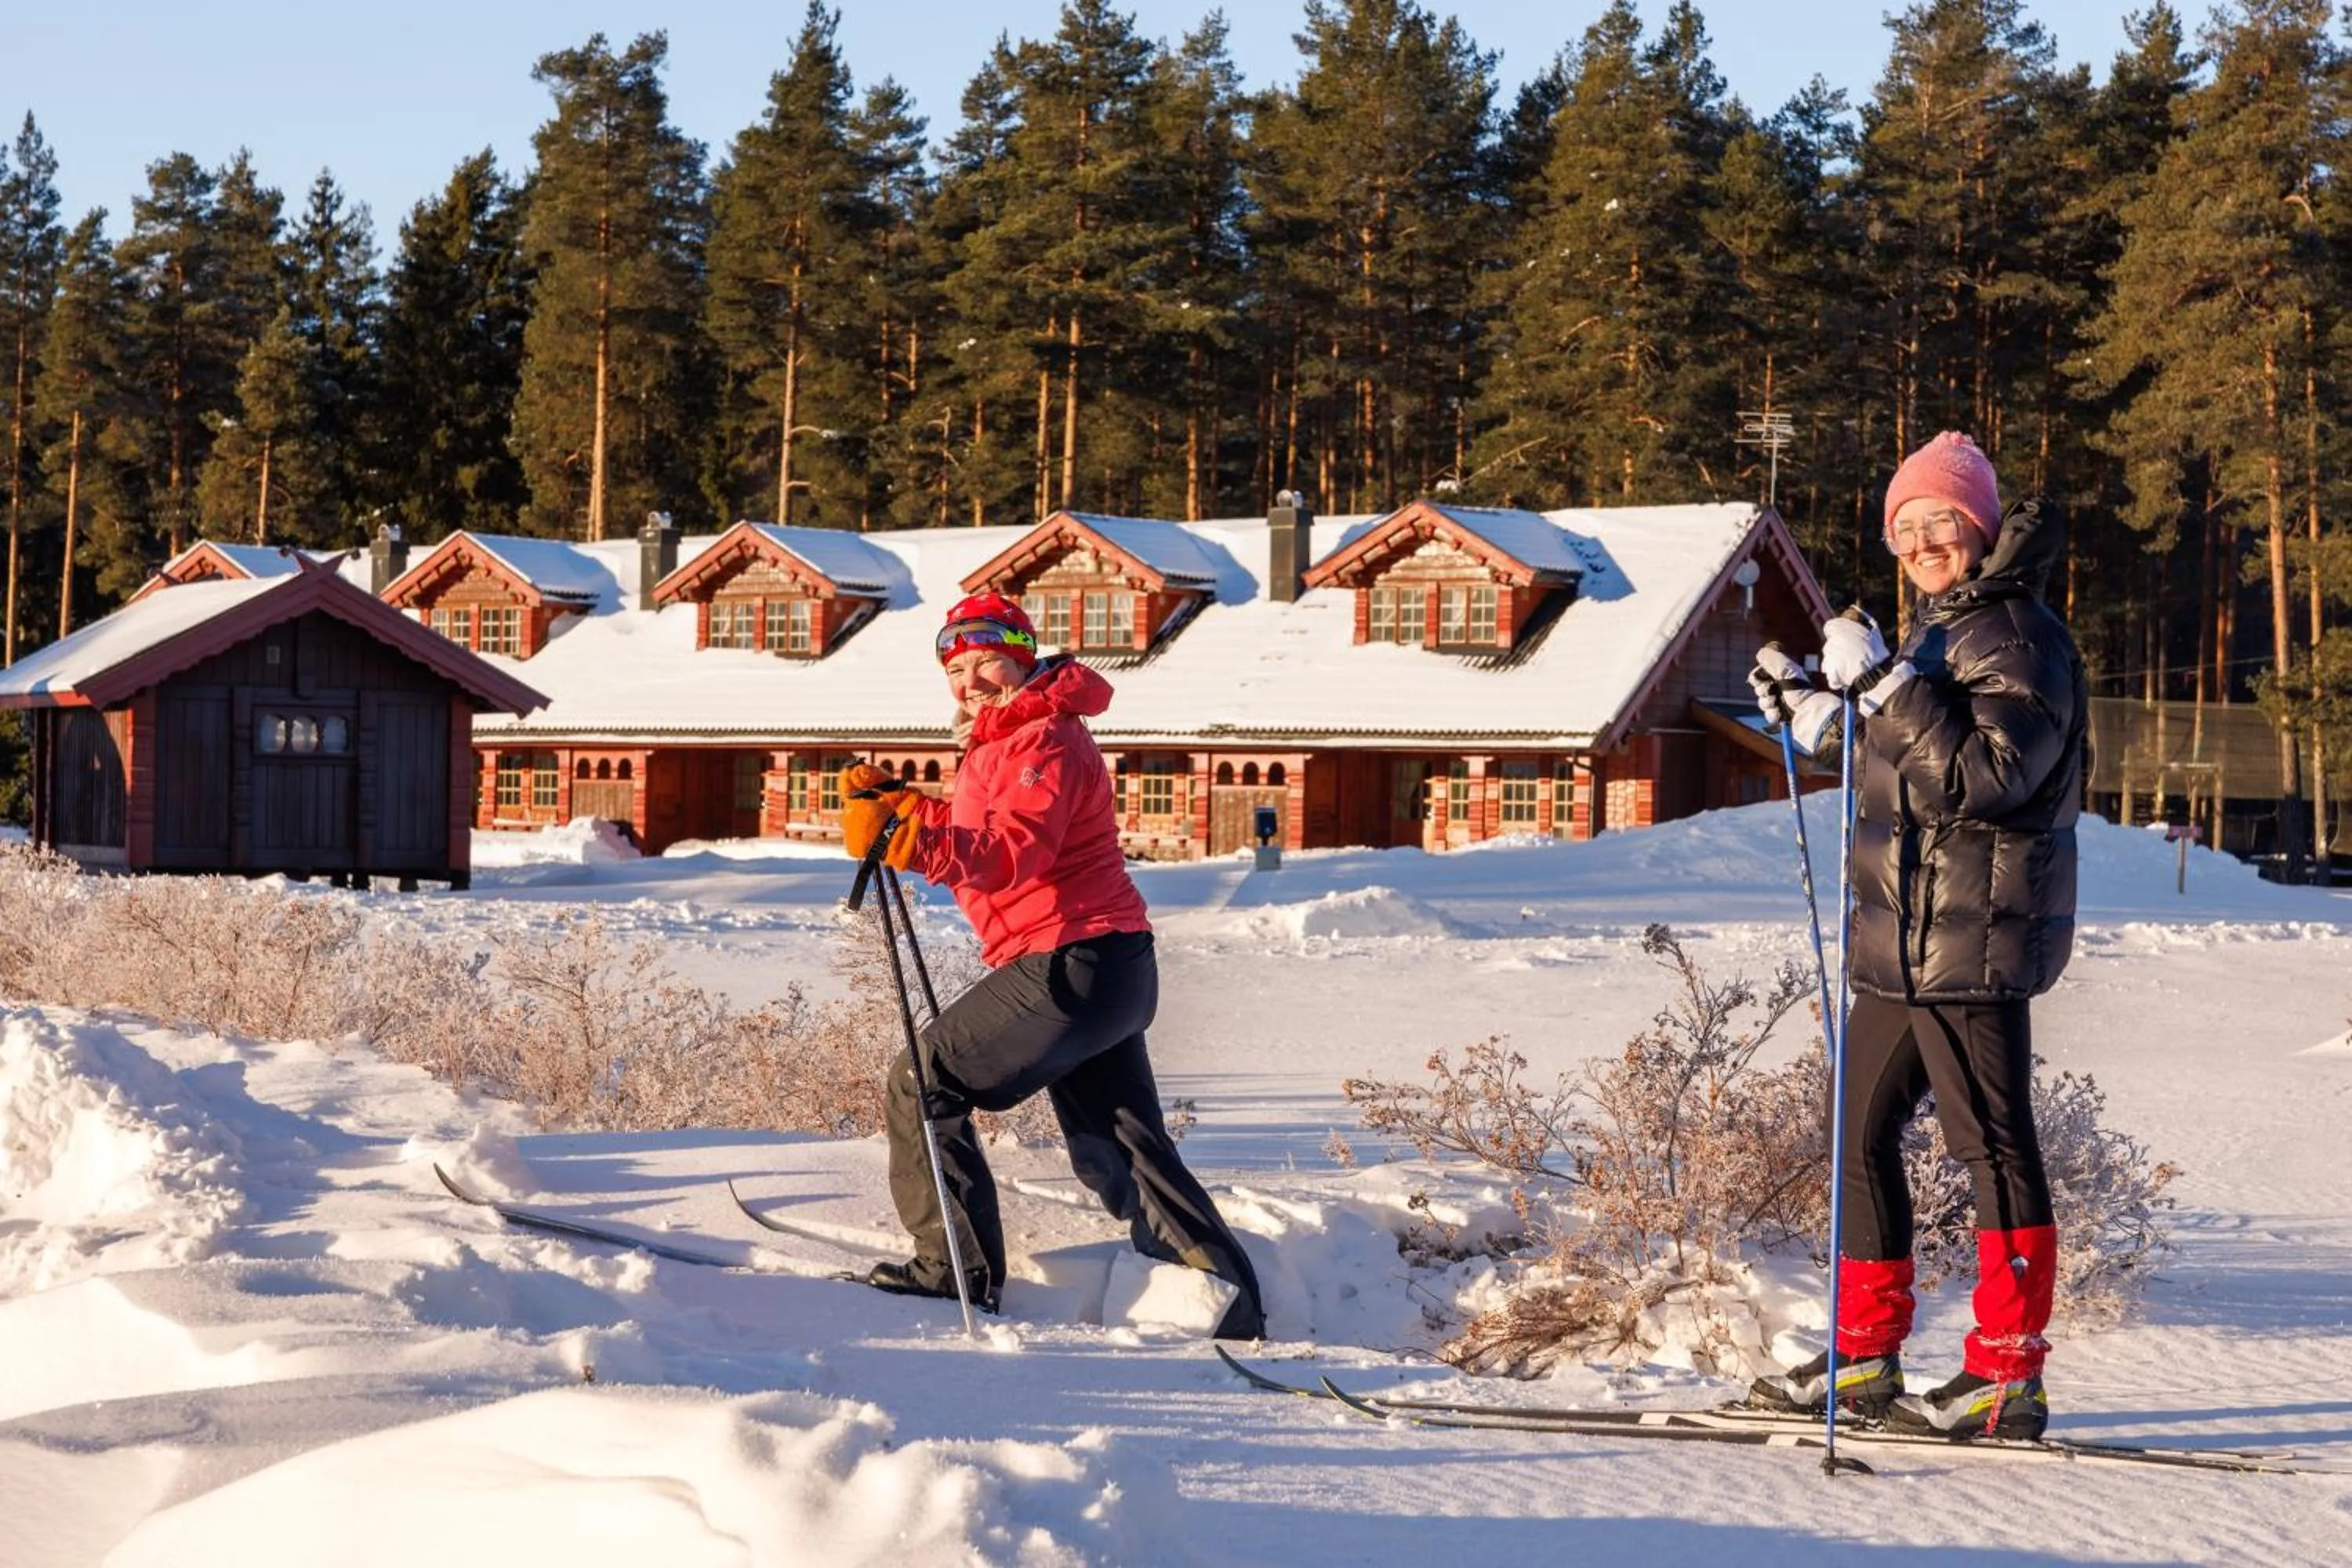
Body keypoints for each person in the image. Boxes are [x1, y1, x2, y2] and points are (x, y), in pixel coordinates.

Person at [1744, 431, 2087, 1442]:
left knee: (1993, 1145)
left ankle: (2005, 1374)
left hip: (1972, 941)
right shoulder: (1942, 630)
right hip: (1904, 939)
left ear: (1980, 528)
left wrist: (1889, 688)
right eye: (1908, 526)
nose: (1925, 540)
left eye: (1944, 521)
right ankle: (1863, 1354)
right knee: (1855, 1136)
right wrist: (1821, 712)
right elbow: (1905, 771)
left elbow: (1985, 780)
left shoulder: (2018, 632)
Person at [835, 592, 1268, 1339]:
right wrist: (907, 808)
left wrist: (910, 844)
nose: (970, 681)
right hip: (1108, 966)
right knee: (1122, 1145)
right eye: (955, 668)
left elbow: (1010, 856)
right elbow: (984, 827)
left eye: (986, 663)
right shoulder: (1007, 738)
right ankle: (1226, 1304)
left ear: (1022, 657)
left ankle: (950, 1274)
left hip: (1070, 959)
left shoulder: (1043, 739)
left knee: (922, 1081)